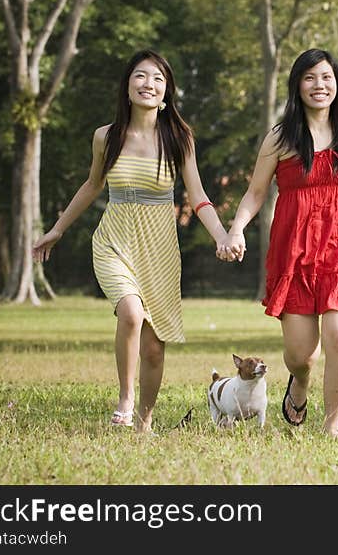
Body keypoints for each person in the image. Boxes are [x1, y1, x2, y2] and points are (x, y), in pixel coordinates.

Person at [32, 49, 232, 433]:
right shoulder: (106, 137)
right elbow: (93, 186)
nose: (148, 85)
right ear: (127, 87)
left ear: (167, 91)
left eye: (158, 79)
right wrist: (58, 229)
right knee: (130, 312)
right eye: (140, 76)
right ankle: (125, 399)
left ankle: (144, 420)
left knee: (155, 348)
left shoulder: (179, 138)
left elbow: (199, 196)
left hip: (159, 249)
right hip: (114, 240)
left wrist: (221, 235)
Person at [220, 48, 338, 437]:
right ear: (297, 85)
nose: (319, 85)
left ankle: (332, 425)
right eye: (310, 77)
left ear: (337, 85)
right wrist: (237, 228)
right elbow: (255, 192)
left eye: (326, 77)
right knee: (301, 355)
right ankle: (300, 382)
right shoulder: (280, 138)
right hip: (293, 250)